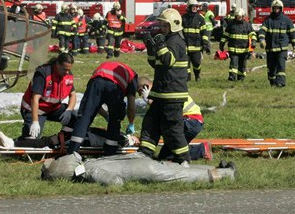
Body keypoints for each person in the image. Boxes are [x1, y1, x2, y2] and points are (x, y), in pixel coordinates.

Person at [139, 8, 191, 165]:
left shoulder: (176, 42)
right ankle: (144, 155)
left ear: (173, 25)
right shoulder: (169, 41)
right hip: (162, 94)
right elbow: (156, 63)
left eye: (164, 26)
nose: (161, 29)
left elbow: (168, 60)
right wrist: (150, 45)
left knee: (172, 129)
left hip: (172, 95)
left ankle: (184, 160)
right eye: (161, 25)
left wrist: (160, 43)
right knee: (150, 124)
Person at [67, 61, 138, 156]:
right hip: (114, 87)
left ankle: (72, 152)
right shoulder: (132, 76)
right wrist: (131, 123)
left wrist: (105, 115)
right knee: (115, 121)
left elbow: (93, 104)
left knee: (84, 117)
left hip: (95, 82)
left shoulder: (107, 66)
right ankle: (110, 153)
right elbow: (131, 106)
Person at [41, 152, 236, 185]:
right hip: (140, 164)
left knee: (181, 174)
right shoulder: (90, 166)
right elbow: (115, 179)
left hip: (143, 169)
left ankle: (225, 173)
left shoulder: (89, 170)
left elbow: (116, 182)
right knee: (180, 170)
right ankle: (222, 171)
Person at [138, 77, 211, 160]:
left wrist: (149, 101)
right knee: (165, 156)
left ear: (146, 86)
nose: (140, 95)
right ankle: (203, 149)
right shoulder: (161, 89)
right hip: (192, 122)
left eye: (140, 91)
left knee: (171, 135)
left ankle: (200, 150)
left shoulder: (161, 90)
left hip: (190, 121)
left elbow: (165, 111)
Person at [18, 53, 77, 140]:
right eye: (64, 69)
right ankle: (14, 142)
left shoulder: (67, 75)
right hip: (35, 110)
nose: (67, 72)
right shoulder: (43, 74)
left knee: (76, 117)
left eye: (69, 69)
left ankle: (63, 139)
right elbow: (35, 99)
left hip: (53, 109)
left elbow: (73, 95)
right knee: (32, 139)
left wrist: (69, 110)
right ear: (57, 64)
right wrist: (35, 121)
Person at [258, 0, 295, 87]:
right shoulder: (268, 20)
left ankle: (280, 83)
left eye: (278, 8)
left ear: (281, 9)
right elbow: (262, 31)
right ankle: (272, 82)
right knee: (271, 68)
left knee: (281, 66)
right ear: (272, 8)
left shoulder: (287, 20)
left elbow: (292, 34)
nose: (276, 10)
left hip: (281, 48)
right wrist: (262, 40)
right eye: (275, 8)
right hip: (270, 49)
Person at [0, 127, 139, 150]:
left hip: (83, 139)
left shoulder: (123, 140)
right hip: (83, 136)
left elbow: (103, 132)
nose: (136, 137)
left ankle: (13, 143)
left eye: (137, 139)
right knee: (48, 141)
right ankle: (14, 142)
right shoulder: (122, 138)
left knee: (49, 142)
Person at [219, 8, 257, 81]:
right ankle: (232, 77)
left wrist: (254, 41)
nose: (238, 18)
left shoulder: (247, 25)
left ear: (243, 16)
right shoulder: (231, 25)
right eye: (237, 16)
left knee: (242, 65)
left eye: (240, 16)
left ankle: (241, 78)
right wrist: (222, 43)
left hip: (244, 50)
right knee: (233, 64)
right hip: (233, 49)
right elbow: (225, 35)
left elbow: (253, 34)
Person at [181, 0, 208, 81]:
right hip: (185, 46)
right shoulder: (183, 18)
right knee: (186, 64)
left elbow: (204, 32)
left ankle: (197, 75)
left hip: (196, 47)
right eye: (193, 7)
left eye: (196, 7)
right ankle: (188, 79)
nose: (195, 8)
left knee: (196, 64)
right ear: (188, 7)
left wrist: (205, 43)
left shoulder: (200, 18)